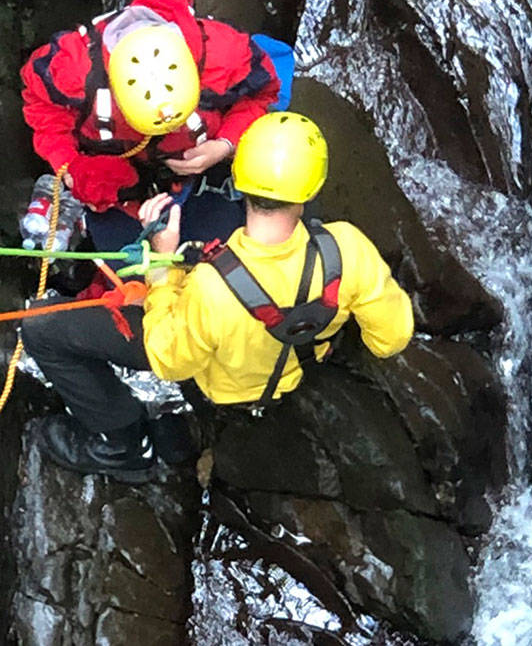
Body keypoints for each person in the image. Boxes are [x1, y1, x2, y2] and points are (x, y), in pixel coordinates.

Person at [21, 112, 416, 483]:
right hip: (289, 370)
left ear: (240, 180)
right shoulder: (348, 247)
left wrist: (162, 268)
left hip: (218, 386)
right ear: (311, 188)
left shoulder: (211, 284)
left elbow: (168, 358)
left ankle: (123, 449)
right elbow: (389, 340)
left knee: (41, 329)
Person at [20, 0, 279, 253]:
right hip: (118, 173)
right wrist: (70, 162)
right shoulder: (72, 70)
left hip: (202, 168)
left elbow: (263, 95)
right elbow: (43, 108)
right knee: (117, 255)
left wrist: (225, 144)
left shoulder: (224, 56)